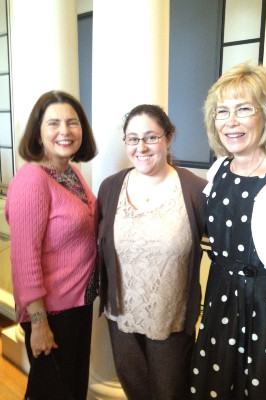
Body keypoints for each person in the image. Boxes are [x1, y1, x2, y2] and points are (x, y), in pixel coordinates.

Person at [190, 62, 266, 399]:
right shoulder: (220, 168)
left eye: (243, 109)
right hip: (222, 298)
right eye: (221, 111)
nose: (230, 121)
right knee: (218, 386)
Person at [97, 104, 207, 400]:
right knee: (135, 390)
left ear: (169, 138)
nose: (141, 147)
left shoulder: (196, 191)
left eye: (151, 137)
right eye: (132, 139)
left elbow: (226, 250)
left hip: (171, 320)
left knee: (171, 393)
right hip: (121, 318)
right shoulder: (110, 188)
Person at [5, 90, 98, 400]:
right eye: (53, 123)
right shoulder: (31, 180)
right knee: (52, 392)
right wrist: (39, 323)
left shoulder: (70, 173)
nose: (65, 131)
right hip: (51, 312)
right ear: (38, 132)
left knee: (72, 388)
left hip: (77, 305)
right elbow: (23, 259)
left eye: (72, 123)